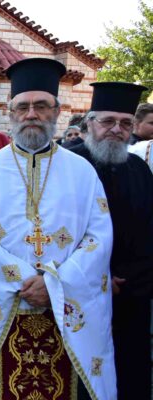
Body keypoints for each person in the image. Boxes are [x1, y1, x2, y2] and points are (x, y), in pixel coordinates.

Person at [0, 58, 116, 400]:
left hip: (65, 310)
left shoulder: (82, 171)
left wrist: (54, 283)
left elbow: (98, 238)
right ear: (10, 112)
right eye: (23, 106)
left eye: (41, 106)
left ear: (56, 111)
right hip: (5, 308)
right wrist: (23, 278)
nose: (31, 114)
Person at [71, 82, 153, 399]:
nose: (117, 130)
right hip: (79, 295)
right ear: (90, 123)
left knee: (129, 373)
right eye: (108, 121)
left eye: (125, 123)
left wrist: (128, 278)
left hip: (130, 295)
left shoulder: (140, 170)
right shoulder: (68, 165)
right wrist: (98, 277)